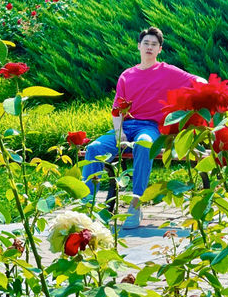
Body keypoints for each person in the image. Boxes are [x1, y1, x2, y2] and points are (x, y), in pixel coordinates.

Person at [82, 26, 199, 229]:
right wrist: (119, 132)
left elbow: (195, 80)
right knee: (94, 148)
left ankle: (135, 204)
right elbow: (117, 110)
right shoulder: (127, 75)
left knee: (144, 144)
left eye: (154, 44)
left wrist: (207, 87)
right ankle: (86, 207)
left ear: (160, 49)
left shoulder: (168, 71)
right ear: (139, 46)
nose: (149, 47)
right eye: (146, 43)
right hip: (127, 126)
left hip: (150, 127)